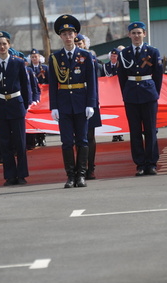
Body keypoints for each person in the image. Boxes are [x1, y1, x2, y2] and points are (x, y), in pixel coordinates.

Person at [49, 14, 97, 188]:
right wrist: (53, 107)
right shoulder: (55, 58)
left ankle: (81, 175)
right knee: (67, 141)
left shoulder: (85, 56)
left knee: (83, 141)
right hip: (63, 104)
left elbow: (92, 82)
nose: (68, 37)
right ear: (60, 36)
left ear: (75, 35)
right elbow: (53, 84)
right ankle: (70, 175)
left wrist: (91, 103)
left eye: (70, 33)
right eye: (64, 34)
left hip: (81, 102)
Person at [117, 21, 163, 176]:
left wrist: (154, 92)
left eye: (139, 32)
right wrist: (126, 94)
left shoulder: (152, 51)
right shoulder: (124, 54)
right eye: (133, 33)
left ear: (144, 34)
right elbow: (122, 76)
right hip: (131, 94)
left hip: (148, 93)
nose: (136, 36)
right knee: (135, 131)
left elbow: (158, 75)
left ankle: (151, 163)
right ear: (129, 35)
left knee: (150, 130)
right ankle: (140, 164)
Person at [0, 31, 30, 186]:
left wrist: (25, 105)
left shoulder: (18, 63)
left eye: (4, 43)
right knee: (5, 143)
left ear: (9, 45)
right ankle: (10, 175)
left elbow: (25, 85)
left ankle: (22, 174)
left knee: (20, 142)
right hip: (1, 106)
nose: (2, 46)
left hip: (16, 104)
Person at [74, 33, 102, 180]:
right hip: (75, 100)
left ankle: (90, 167)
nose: (78, 46)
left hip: (89, 99)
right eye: (76, 44)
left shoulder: (91, 59)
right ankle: (80, 167)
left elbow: (94, 83)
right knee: (78, 136)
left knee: (90, 136)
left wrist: (94, 101)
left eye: (81, 44)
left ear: (85, 44)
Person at [103, 48, 125, 142]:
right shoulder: (105, 66)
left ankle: (120, 133)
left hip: (119, 92)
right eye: (112, 56)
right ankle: (114, 134)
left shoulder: (121, 66)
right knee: (111, 114)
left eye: (115, 56)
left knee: (119, 113)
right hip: (109, 93)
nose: (113, 57)